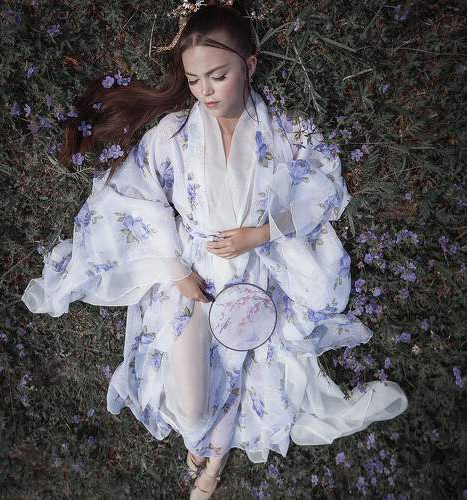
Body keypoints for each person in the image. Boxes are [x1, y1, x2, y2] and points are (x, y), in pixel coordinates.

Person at [20, 2, 409, 498]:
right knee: (190, 405)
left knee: (240, 364)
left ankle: (214, 461)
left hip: (253, 274)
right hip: (195, 275)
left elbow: (324, 184)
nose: (205, 91)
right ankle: (202, 439)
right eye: (194, 80)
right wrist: (174, 267)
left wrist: (262, 233)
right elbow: (133, 194)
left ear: (249, 66)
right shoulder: (173, 135)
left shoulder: (285, 130)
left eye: (218, 76)